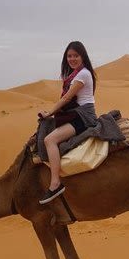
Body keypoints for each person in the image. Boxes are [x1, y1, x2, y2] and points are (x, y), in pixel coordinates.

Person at [37, 41, 98, 204]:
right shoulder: (75, 74)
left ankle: (55, 183)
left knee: (49, 140)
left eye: (75, 56)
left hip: (83, 116)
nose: (72, 59)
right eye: (69, 56)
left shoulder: (83, 74)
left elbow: (67, 98)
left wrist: (50, 112)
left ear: (82, 56)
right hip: (77, 113)